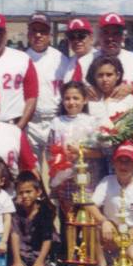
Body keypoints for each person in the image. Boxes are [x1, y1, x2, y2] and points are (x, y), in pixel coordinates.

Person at [89, 142, 133, 266]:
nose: (123, 166)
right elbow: (90, 205)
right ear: (114, 163)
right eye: (120, 161)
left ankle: (121, 262)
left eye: (128, 162)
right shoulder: (107, 181)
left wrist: (127, 237)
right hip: (110, 231)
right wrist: (104, 222)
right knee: (90, 226)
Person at [48, 81, 103, 221]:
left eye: (76, 98)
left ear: (85, 100)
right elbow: (50, 151)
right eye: (67, 98)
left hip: (88, 178)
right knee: (69, 220)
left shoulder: (92, 122)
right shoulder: (57, 122)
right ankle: (68, 243)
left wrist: (80, 151)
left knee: (90, 220)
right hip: (65, 180)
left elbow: (101, 153)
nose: (71, 102)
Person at [25, 12, 67, 168]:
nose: (38, 35)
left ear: (49, 35)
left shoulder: (61, 59)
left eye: (42, 31)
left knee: (58, 172)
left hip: (54, 119)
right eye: (34, 30)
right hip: (31, 121)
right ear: (28, 34)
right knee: (32, 172)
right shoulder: (21, 59)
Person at [8, 171, 56, 266]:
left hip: (39, 253)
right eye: (21, 192)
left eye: (29, 192)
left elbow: (47, 238)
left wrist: (40, 262)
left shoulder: (45, 210)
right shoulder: (15, 210)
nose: (25, 196)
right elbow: (14, 234)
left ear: (38, 192)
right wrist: (17, 261)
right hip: (22, 253)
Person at [95, 12, 133, 96]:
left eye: (116, 33)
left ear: (123, 36)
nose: (110, 38)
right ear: (99, 35)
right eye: (106, 33)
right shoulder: (84, 62)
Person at [86, 55, 133, 126]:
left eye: (109, 75)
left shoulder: (129, 99)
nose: (104, 79)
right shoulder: (88, 100)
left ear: (118, 76)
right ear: (94, 76)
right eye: (100, 75)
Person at [63, 17, 96, 83]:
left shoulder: (100, 59)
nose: (76, 41)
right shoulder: (68, 63)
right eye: (72, 37)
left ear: (91, 38)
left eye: (81, 36)